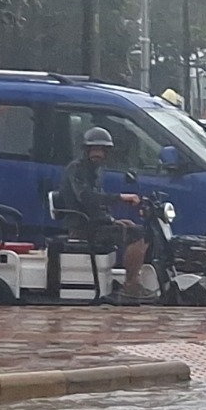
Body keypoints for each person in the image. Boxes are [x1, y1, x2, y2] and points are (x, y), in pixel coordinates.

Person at [58, 127, 151, 299]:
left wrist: (111, 220)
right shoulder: (77, 169)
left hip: (93, 223)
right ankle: (131, 285)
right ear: (86, 150)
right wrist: (121, 197)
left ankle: (129, 280)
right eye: (94, 149)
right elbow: (86, 198)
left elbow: (97, 205)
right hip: (82, 226)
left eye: (101, 150)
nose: (98, 154)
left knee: (130, 225)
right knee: (138, 235)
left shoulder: (95, 171)